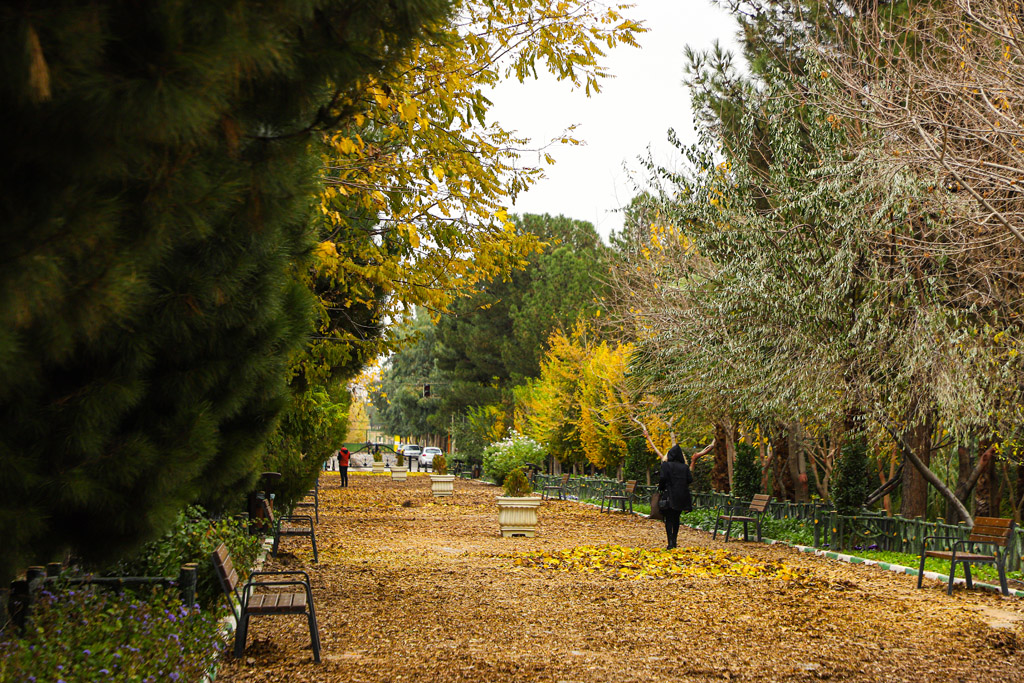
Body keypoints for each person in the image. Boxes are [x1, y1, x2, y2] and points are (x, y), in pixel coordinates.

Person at [658, 444, 693, 549]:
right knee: (676, 518)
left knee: (668, 518)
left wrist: (661, 488)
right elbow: (690, 480)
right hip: (681, 495)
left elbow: (662, 479)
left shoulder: (666, 465)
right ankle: (675, 539)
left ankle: (670, 542)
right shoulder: (685, 467)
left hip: (669, 494)